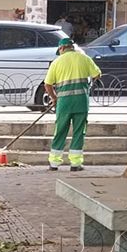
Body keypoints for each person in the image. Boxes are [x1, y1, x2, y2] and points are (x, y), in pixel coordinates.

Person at [43, 37, 102, 171]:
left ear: (62, 48)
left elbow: (47, 84)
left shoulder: (56, 62)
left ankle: (54, 163)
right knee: (79, 132)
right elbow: (97, 74)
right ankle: (75, 163)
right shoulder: (84, 58)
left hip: (64, 103)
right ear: (72, 47)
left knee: (60, 131)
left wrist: (54, 98)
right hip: (81, 102)